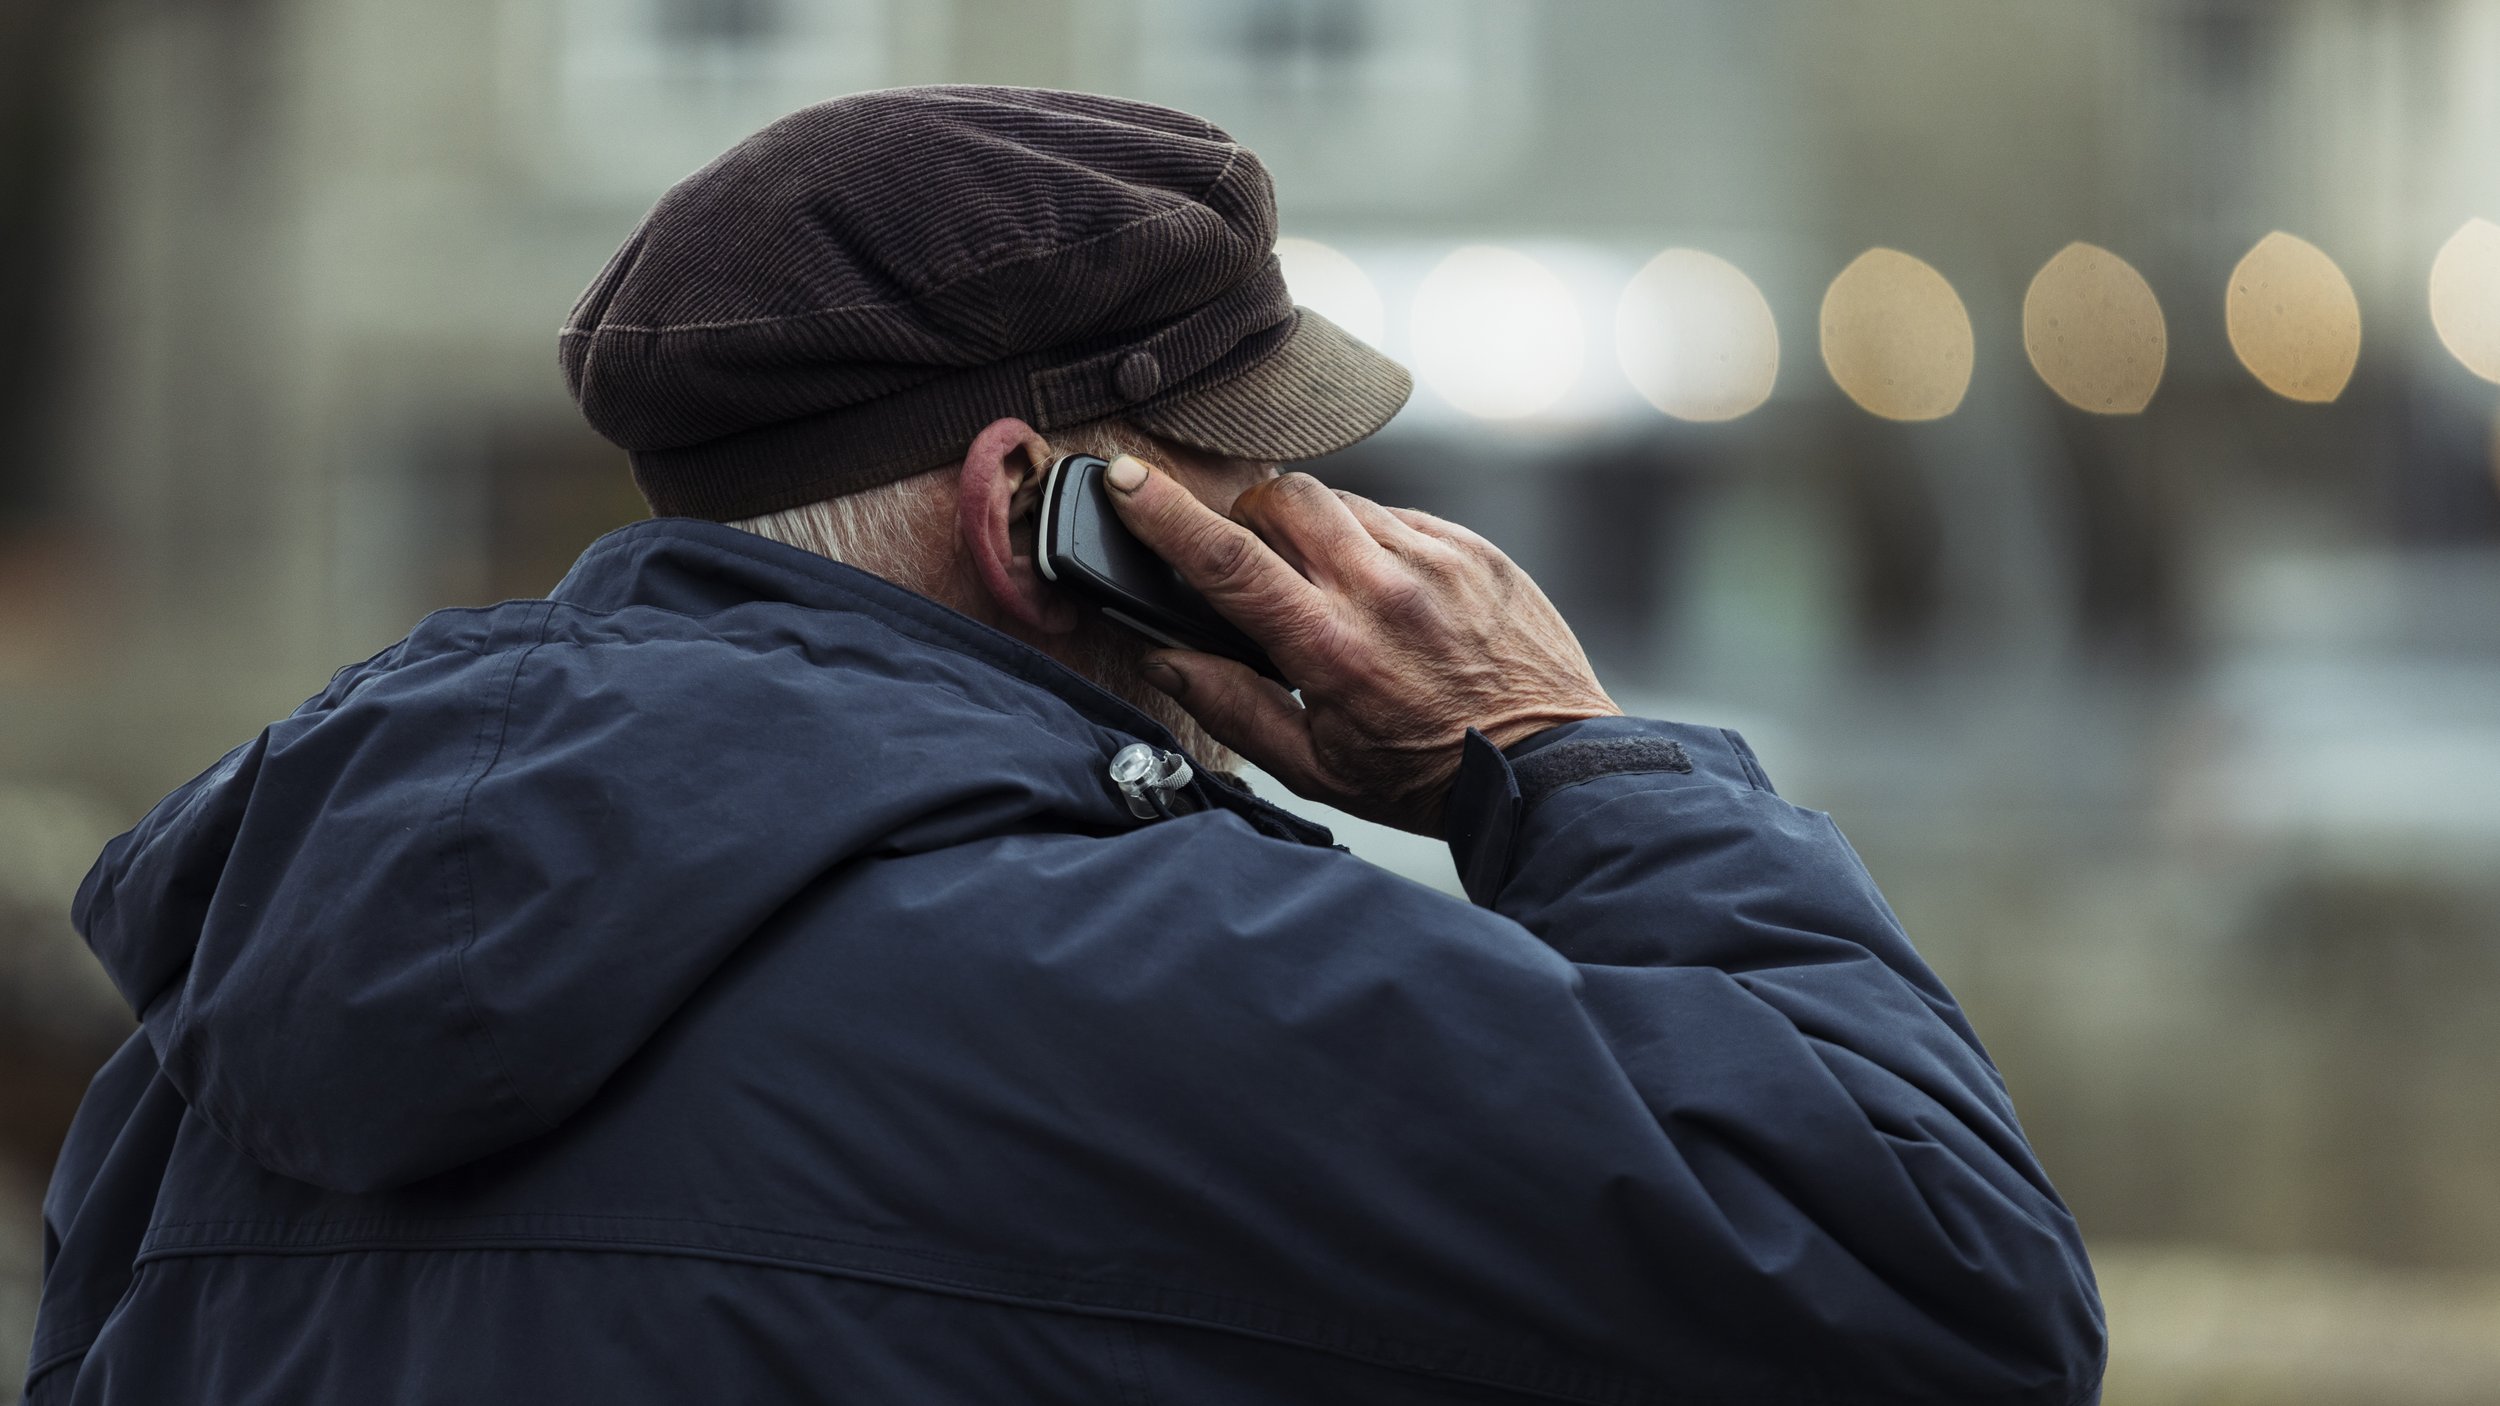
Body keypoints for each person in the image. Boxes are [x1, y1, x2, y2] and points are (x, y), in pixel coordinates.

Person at [25, 87, 2104, 1405]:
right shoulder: (1168, 982)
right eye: (1240, 474)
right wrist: (1554, 755)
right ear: (1041, 507)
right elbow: (1944, 1290)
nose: (1306, 534)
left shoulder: (227, 1015)